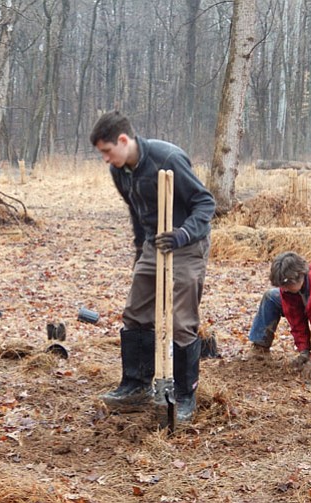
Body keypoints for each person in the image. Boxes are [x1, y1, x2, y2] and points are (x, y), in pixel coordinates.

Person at [90, 111, 216, 422]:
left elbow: (205, 203)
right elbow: (136, 213)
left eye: (107, 151)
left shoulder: (168, 159)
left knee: (181, 321)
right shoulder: (121, 170)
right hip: (152, 243)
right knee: (135, 313)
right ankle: (135, 385)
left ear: (123, 140)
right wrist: (139, 252)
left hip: (186, 244)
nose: (106, 159)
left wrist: (182, 234)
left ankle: (186, 396)